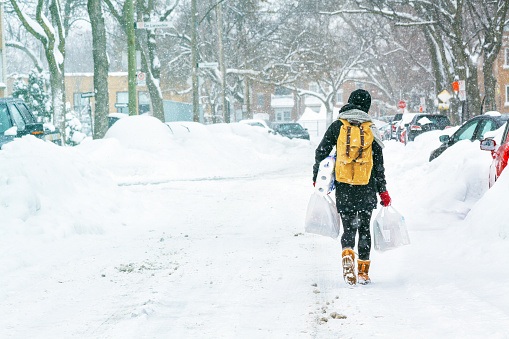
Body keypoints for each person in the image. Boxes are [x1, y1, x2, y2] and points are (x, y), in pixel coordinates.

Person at [312, 89, 391, 285]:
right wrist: (383, 190)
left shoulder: (339, 125)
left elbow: (321, 151)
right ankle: (363, 272)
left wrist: (318, 177)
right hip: (366, 186)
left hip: (344, 185)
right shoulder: (371, 129)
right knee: (364, 228)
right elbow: (378, 164)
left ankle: (348, 255)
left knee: (349, 227)